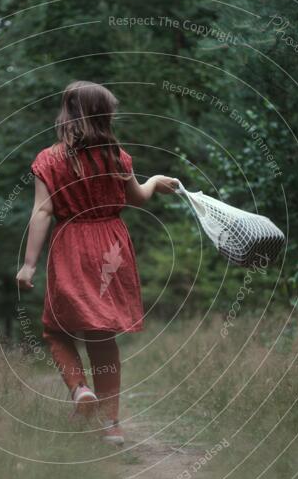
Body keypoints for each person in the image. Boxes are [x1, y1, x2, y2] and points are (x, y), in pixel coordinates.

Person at [16, 80, 178, 445]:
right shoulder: (117, 157)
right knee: (102, 337)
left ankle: (79, 390)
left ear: (67, 113)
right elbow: (137, 198)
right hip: (111, 248)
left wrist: (28, 264)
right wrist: (154, 181)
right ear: (105, 117)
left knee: (56, 330)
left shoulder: (50, 159)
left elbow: (43, 211)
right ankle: (111, 426)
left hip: (72, 243)